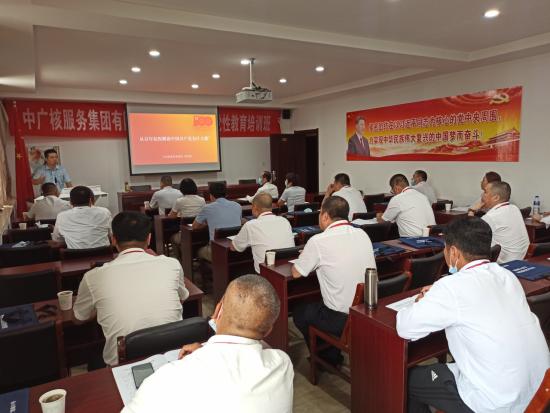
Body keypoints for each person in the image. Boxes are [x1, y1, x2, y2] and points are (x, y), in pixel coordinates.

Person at [396, 217, 549, 413]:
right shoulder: (507, 276)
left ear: (453, 252)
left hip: (495, 404)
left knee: (407, 379)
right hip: (537, 393)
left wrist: (425, 301)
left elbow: (405, 327)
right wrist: (439, 294)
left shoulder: (451, 287)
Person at [122, 275, 294, 413]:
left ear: (218, 310)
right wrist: (204, 351)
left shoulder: (166, 380)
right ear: (268, 331)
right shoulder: (283, 364)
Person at [74, 211, 189, 367]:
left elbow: (79, 317)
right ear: (149, 239)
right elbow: (182, 298)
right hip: (175, 357)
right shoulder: (171, 264)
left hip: (124, 365)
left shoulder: (92, 277)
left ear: (113, 239)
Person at [291, 196, 376, 367]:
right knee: (319, 302)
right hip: (367, 311)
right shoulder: (362, 233)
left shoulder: (318, 240)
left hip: (342, 319)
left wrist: (305, 255)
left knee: (299, 312)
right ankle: (330, 351)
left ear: (325, 216)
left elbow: (296, 273)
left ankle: (326, 357)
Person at [232, 193, 295, 273]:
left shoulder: (251, 225)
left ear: (254, 208)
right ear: (271, 206)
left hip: (266, 274)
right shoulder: (284, 221)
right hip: (288, 270)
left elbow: (234, 247)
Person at [467, 181, 529, 263]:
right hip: (522, 260)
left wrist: (472, 211)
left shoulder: (491, 217)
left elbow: (468, 234)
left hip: (506, 264)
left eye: (485, 192)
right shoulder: (514, 208)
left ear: (496, 198)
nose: (482, 195)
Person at [192, 182, 242, 262]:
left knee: (199, 251)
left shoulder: (207, 208)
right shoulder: (237, 206)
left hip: (216, 251)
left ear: (211, 195)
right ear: (226, 194)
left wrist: (206, 224)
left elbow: (194, 227)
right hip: (236, 249)